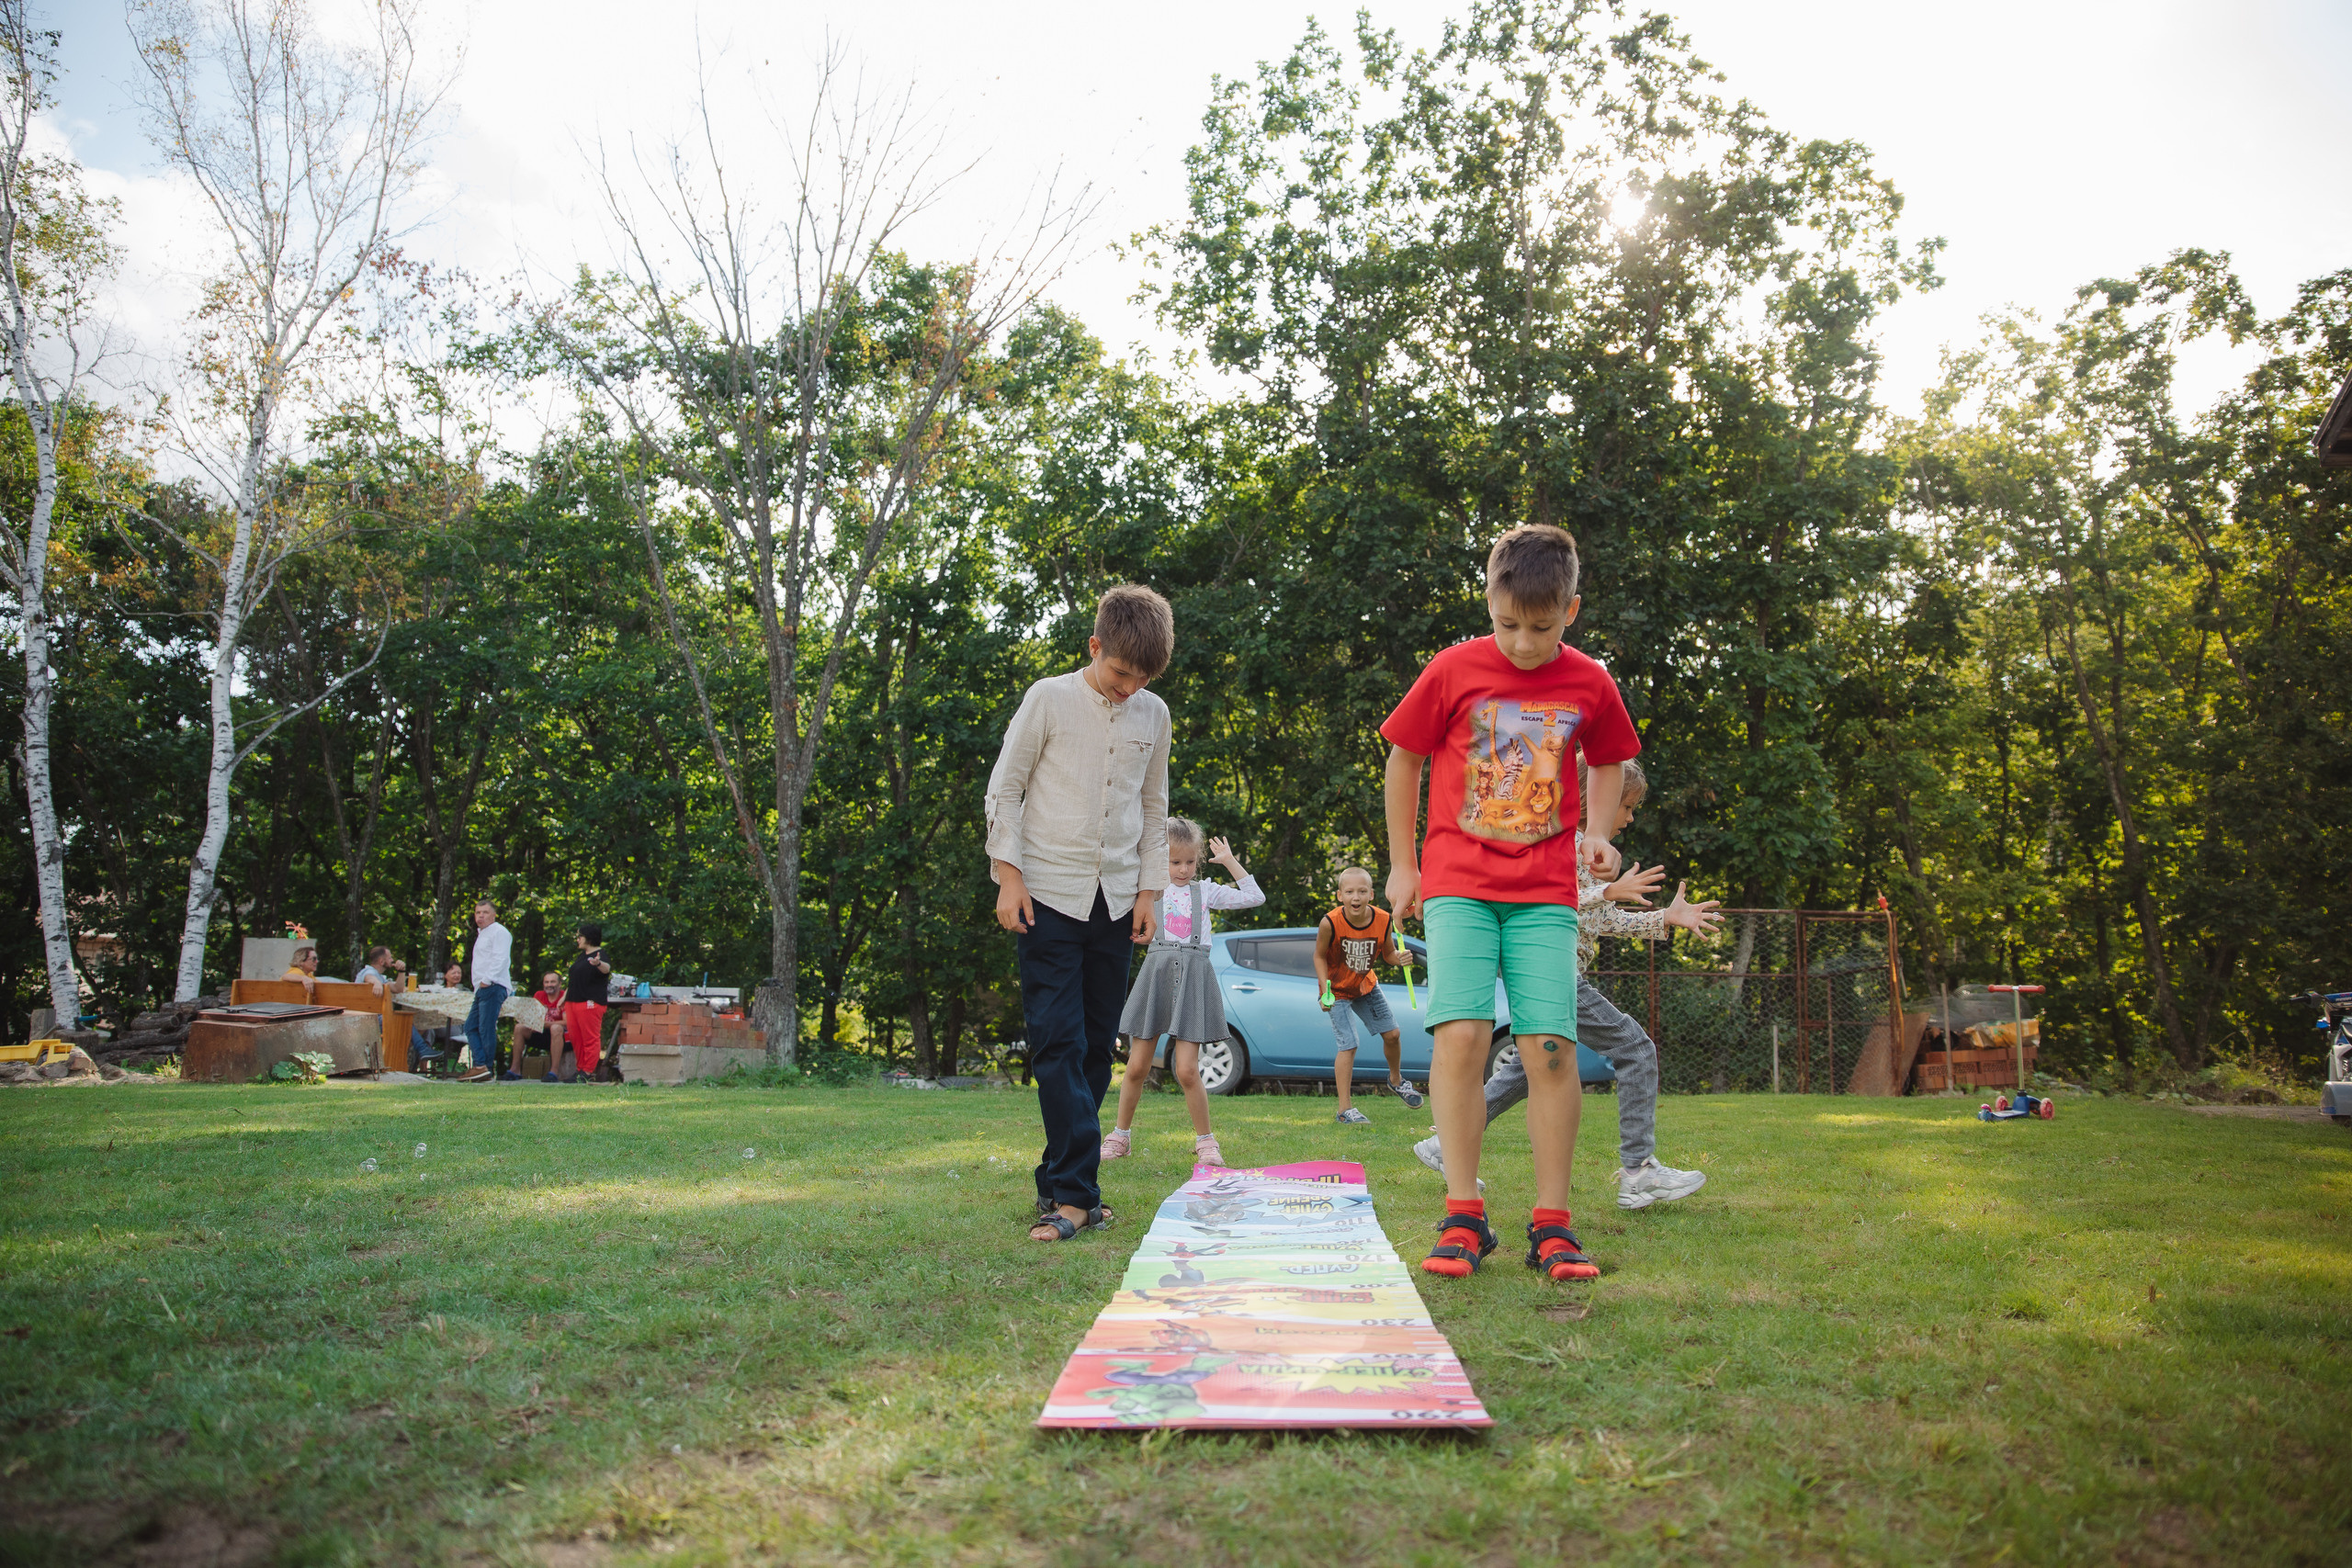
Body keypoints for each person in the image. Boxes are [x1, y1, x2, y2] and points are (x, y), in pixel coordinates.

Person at [1382, 523, 1639, 1282]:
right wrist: (1403, 867)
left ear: (1572, 610)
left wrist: (1595, 831)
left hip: (1545, 892)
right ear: (1489, 603)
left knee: (1549, 1047)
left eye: (1542, 626)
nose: (1523, 643)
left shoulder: (1589, 681)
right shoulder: (1453, 669)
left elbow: (1612, 757)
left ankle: (1553, 1225)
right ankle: (1464, 1214)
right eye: (1507, 625)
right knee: (1460, 1037)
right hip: (1459, 879)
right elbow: (1404, 759)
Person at [1413, 758, 1724, 1209]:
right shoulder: (1568, 843)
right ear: (1597, 794)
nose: (1630, 818)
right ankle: (1638, 1171)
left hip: (1553, 980)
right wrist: (1606, 891)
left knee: (1526, 1070)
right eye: (1628, 806)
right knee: (1635, 1048)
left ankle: (1445, 1144)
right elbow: (1551, 899)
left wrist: (1664, 918)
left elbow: (1601, 917)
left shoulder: (1586, 850)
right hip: (1554, 977)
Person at [986, 583, 1174, 1244]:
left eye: (1143, 677)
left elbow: (1155, 809)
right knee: (1058, 1042)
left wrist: (1149, 893)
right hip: (1047, 895)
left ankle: (1056, 1173)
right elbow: (1005, 789)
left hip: (1118, 901)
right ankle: (1074, 1198)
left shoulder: (1154, 714)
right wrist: (1008, 877)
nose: (1130, 687)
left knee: (1096, 1048)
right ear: (1095, 647)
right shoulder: (1047, 699)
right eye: (1122, 672)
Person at [1103, 821, 1263, 1168]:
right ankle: (1120, 1137)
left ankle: (1206, 1142)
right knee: (1136, 1067)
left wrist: (1231, 861)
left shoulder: (1205, 892)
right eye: (1175, 862)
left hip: (1193, 978)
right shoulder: (1148, 893)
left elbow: (1255, 897)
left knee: (1188, 1070)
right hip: (1157, 977)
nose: (1183, 869)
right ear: (1160, 860)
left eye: (1190, 862)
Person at [1312, 867, 1422, 1124]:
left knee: (1393, 1034)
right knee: (1348, 1044)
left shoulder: (1383, 920)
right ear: (1340, 895)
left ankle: (1396, 1080)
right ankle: (1344, 1110)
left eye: (1362, 891)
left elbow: (1389, 955)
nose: (1356, 896)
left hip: (1365, 985)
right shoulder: (1330, 922)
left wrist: (1401, 959)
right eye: (1349, 892)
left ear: (1371, 894)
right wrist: (1323, 990)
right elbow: (1318, 956)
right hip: (1337, 990)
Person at [460, 900, 513, 1084]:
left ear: (493, 915)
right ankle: (480, 1065)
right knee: (470, 1027)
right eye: (477, 912)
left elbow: (501, 958)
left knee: (485, 1027)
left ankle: (486, 1068)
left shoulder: (499, 932)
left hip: (493, 985)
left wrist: (487, 980)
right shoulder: (483, 934)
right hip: (482, 988)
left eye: (485, 912)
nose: (480, 916)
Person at [559, 925, 612, 1081]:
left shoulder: (600, 954)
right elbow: (576, 979)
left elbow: (606, 968)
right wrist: (564, 997)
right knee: (576, 1038)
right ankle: (580, 1070)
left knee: (590, 1037)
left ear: (589, 937)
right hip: (573, 1002)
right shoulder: (581, 956)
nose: (577, 939)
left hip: (590, 1003)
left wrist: (598, 964)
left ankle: (588, 1071)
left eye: (580, 936)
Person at [510, 970, 564, 1081]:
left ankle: (554, 1072)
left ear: (559, 984)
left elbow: (568, 1023)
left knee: (556, 1028)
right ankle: (515, 1070)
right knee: (519, 1027)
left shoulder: (564, 997)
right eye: (546, 982)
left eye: (552, 982)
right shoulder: (539, 995)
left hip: (561, 1036)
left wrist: (546, 1024)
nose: (549, 985)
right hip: (540, 1032)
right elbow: (533, 1017)